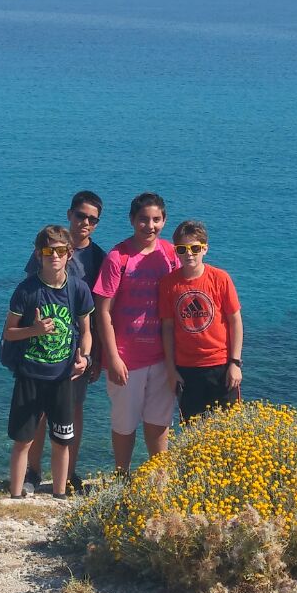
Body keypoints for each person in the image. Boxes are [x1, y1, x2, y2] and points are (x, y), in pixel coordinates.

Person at [21, 191, 107, 495]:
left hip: (77, 350)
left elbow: (97, 310)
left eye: (92, 219)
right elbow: (30, 294)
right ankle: (32, 471)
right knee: (39, 412)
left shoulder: (98, 258)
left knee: (73, 411)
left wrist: (95, 355)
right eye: (81, 216)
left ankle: (68, 475)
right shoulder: (49, 247)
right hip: (42, 347)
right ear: (70, 214)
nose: (85, 223)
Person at [2, 225, 94, 499]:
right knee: (23, 440)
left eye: (60, 251)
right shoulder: (26, 290)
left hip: (62, 377)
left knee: (62, 440)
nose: (54, 256)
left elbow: (86, 331)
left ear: (69, 254)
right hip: (30, 375)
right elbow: (9, 332)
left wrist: (85, 358)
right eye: (47, 251)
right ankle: (15, 496)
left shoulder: (78, 289)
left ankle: (59, 494)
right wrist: (35, 330)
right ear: (38, 254)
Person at [94, 192, 180, 471]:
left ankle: (160, 481)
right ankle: (122, 478)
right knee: (124, 424)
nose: (150, 226)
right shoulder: (117, 257)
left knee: (159, 422)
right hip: (126, 358)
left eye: (156, 220)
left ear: (164, 221)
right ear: (132, 220)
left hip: (163, 357)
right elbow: (103, 311)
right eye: (143, 219)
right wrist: (113, 358)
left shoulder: (171, 254)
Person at [158, 220, 244, 422]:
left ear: (205, 249)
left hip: (221, 366)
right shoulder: (168, 284)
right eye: (182, 249)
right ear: (176, 251)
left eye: (195, 248)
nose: (189, 254)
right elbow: (167, 328)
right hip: (187, 369)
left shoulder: (220, 278)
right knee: (192, 429)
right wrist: (171, 370)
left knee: (229, 427)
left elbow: (235, 321)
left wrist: (235, 363)